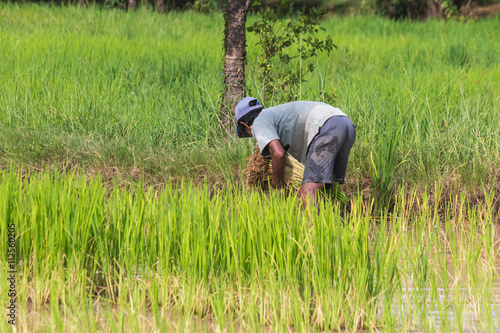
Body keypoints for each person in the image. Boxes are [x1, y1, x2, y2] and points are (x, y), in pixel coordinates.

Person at [235, 97, 356, 205]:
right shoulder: (275, 115)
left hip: (327, 127)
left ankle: (313, 230)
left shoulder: (258, 123)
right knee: (327, 191)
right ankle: (346, 220)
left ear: (245, 125)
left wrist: (277, 182)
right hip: (345, 124)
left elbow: (278, 154)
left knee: (307, 192)